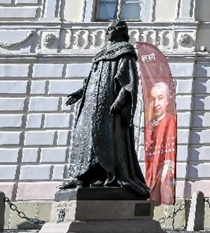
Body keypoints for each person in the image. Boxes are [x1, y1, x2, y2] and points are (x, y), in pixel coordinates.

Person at [60, 19, 151, 199]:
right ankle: (83, 177)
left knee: (108, 141)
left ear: (119, 31)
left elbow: (128, 80)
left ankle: (109, 176)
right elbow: (92, 80)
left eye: (109, 29)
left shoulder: (125, 51)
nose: (106, 32)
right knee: (86, 140)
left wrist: (120, 100)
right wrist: (80, 93)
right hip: (90, 106)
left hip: (108, 108)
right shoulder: (101, 54)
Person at [143, 80, 178, 206]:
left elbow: (170, 151)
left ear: (167, 101)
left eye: (160, 98)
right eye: (152, 99)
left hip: (163, 173)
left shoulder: (171, 122)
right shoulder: (148, 125)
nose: (156, 104)